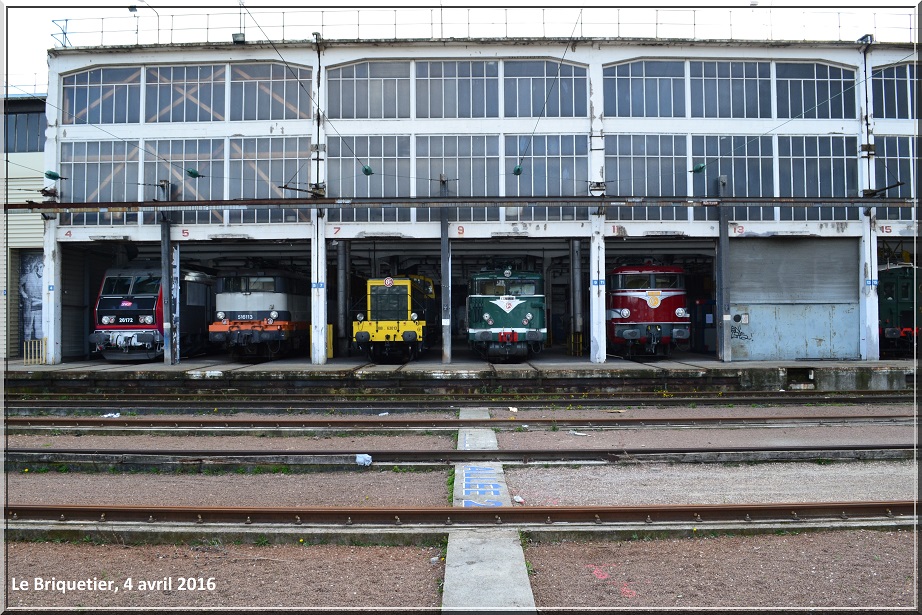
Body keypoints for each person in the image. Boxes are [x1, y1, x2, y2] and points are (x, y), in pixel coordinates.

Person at [20, 257, 44, 342]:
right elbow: (19, 284)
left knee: (38, 324)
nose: (42, 269)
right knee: (28, 323)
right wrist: (23, 294)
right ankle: (27, 341)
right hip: (29, 303)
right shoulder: (29, 276)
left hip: (40, 303)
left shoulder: (46, 278)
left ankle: (39, 343)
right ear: (37, 268)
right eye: (41, 267)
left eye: (43, 267)